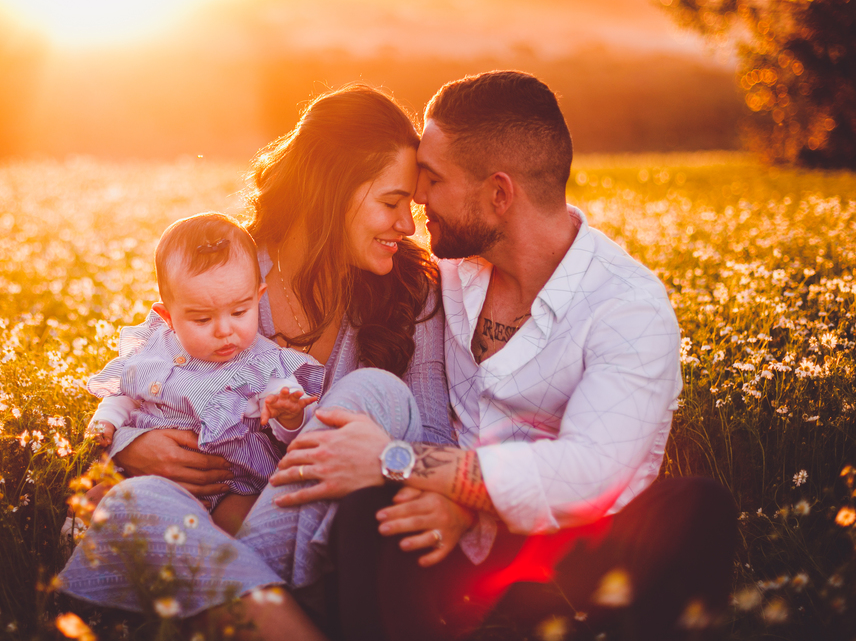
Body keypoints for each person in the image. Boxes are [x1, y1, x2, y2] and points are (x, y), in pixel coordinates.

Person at [271, 70, 738, 640]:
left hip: (581, 552)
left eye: (433, 180)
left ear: (498, 194)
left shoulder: (627, 307)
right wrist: (143, 409)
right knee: (371, 518)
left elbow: (588, 478)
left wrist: (409, 466)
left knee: (694, 508)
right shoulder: (438, 276)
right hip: (453, 544)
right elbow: (278, 292)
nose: (418, 199)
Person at [55, 85, 454, 639]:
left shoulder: (414, 292)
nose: (407, 226)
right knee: (138, 499)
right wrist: (129, 445)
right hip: (213, 519)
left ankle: (234, 610)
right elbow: (146, 371)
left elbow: (435, 436)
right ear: (331, 191)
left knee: (374, 392)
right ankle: (266, 613)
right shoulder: (229, 271)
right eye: (392, 204)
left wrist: (374, 453)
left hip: (313, 535)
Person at [79, 213, 321, 535]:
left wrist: (290, 416)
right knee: (101, 510)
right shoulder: (152, 348)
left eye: (239, 312)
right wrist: (105, 423)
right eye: (202, 320)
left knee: (242, 527)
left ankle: (232, 570)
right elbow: (125, 396)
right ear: (168, 317)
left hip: (229, 483)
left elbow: (297, 433)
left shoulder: (265, 365)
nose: (224, 330)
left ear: (257, 298)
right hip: (149, 474)